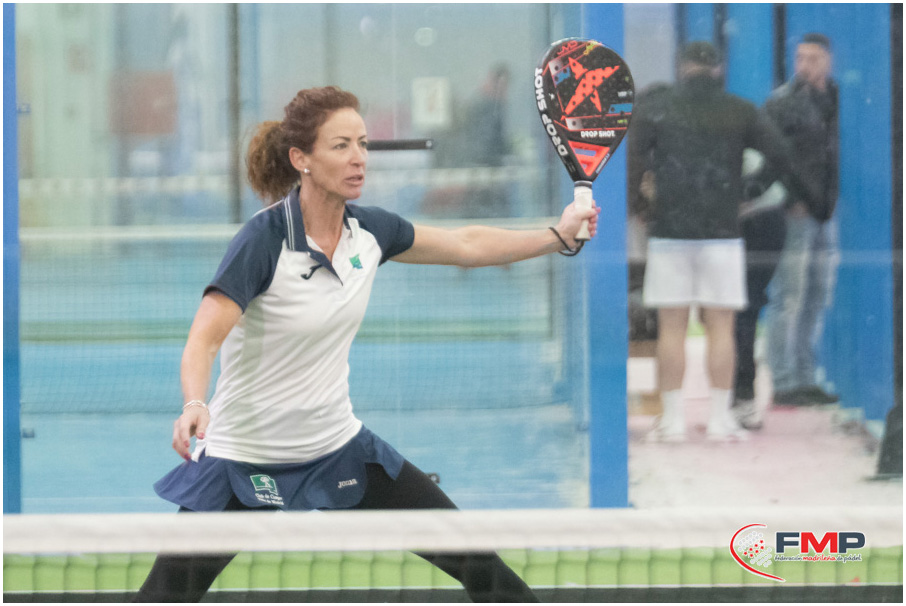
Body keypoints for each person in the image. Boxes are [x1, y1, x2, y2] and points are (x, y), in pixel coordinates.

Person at [133, 86, 598, 603]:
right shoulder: (263, 241)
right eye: (341, 146)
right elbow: (203, 339)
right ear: (301, 159)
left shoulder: (371, 232)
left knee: (477, 561)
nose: (358, 158)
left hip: (338, 448)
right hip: (245, 459)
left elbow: (466, 244)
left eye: (362, 143)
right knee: (164, 595)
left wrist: (558, 235)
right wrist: (194, 403)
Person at [628, 42, 818, 443]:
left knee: (672, 328)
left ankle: (673, 420)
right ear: (718, 69)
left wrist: (641, 206)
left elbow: (633, 164)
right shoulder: (739, 110)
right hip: (722, 232)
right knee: (721, 327)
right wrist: (750, 190)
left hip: (670, 231)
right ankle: (719, 418)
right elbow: (781, 156)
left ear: (681, 67)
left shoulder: (656, 110)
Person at [763, 33, 841, 407]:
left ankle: (806, 375)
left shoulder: (836, 100)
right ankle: (783, 379)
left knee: (817, 293)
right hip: (797, 210)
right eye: (800, 58)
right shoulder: (783, 103)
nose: (804, 66)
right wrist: (791, 198)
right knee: (789, 294)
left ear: (828, 61)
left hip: (825, 208)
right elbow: (770, 155)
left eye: (812, 58)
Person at [730, 151, 789, 430]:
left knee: (744, 309)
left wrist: (744, 194)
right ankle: (739, 397)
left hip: (759, 219)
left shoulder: (749, 141)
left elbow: (782, 156)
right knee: (736, 312)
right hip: (728, 223)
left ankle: (743, 397)